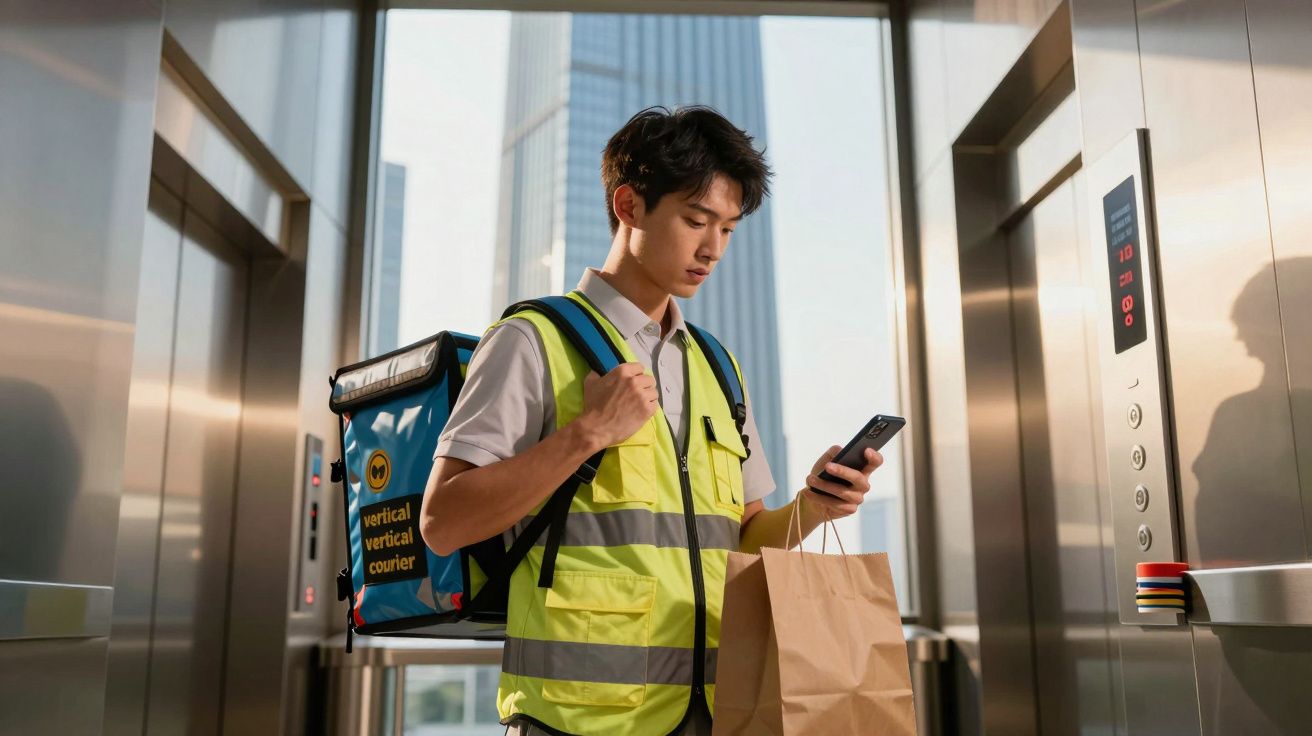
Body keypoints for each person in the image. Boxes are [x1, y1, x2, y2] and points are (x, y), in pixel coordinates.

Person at [420, 105, 884, 736]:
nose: (713, 248)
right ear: (629, 205)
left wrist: (815, 505)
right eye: (696, 220)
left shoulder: (718, 367)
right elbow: (443, 522)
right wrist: (586, 434)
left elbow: (742, 542)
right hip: (577, 721)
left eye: (728, 228)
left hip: (716, 712)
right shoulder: (531, 340)